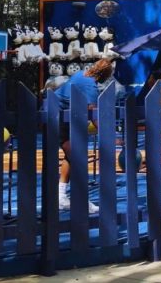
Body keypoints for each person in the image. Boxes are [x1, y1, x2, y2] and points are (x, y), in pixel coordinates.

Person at [55, 58, 115, 212]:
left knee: (71, 157)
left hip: (60, 115)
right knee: (78, 159)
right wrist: (109, 135)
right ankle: (82, 200)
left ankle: (60, 196)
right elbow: (93, 114)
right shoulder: (91, 86)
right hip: (58, 118)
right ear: (105, 75)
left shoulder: (81, 75)